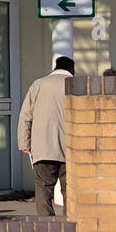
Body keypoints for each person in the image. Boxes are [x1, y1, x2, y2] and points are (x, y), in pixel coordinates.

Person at [18, 56, 75, 216]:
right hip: (69, 147)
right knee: (70, 190)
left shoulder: (38, 84)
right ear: (72, 69)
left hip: (42, 147)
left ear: (55, 68)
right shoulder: (75, 85)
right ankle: (71, 223)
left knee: (43, 188)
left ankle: (46, 225)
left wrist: (24, 143)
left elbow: (25, 116)